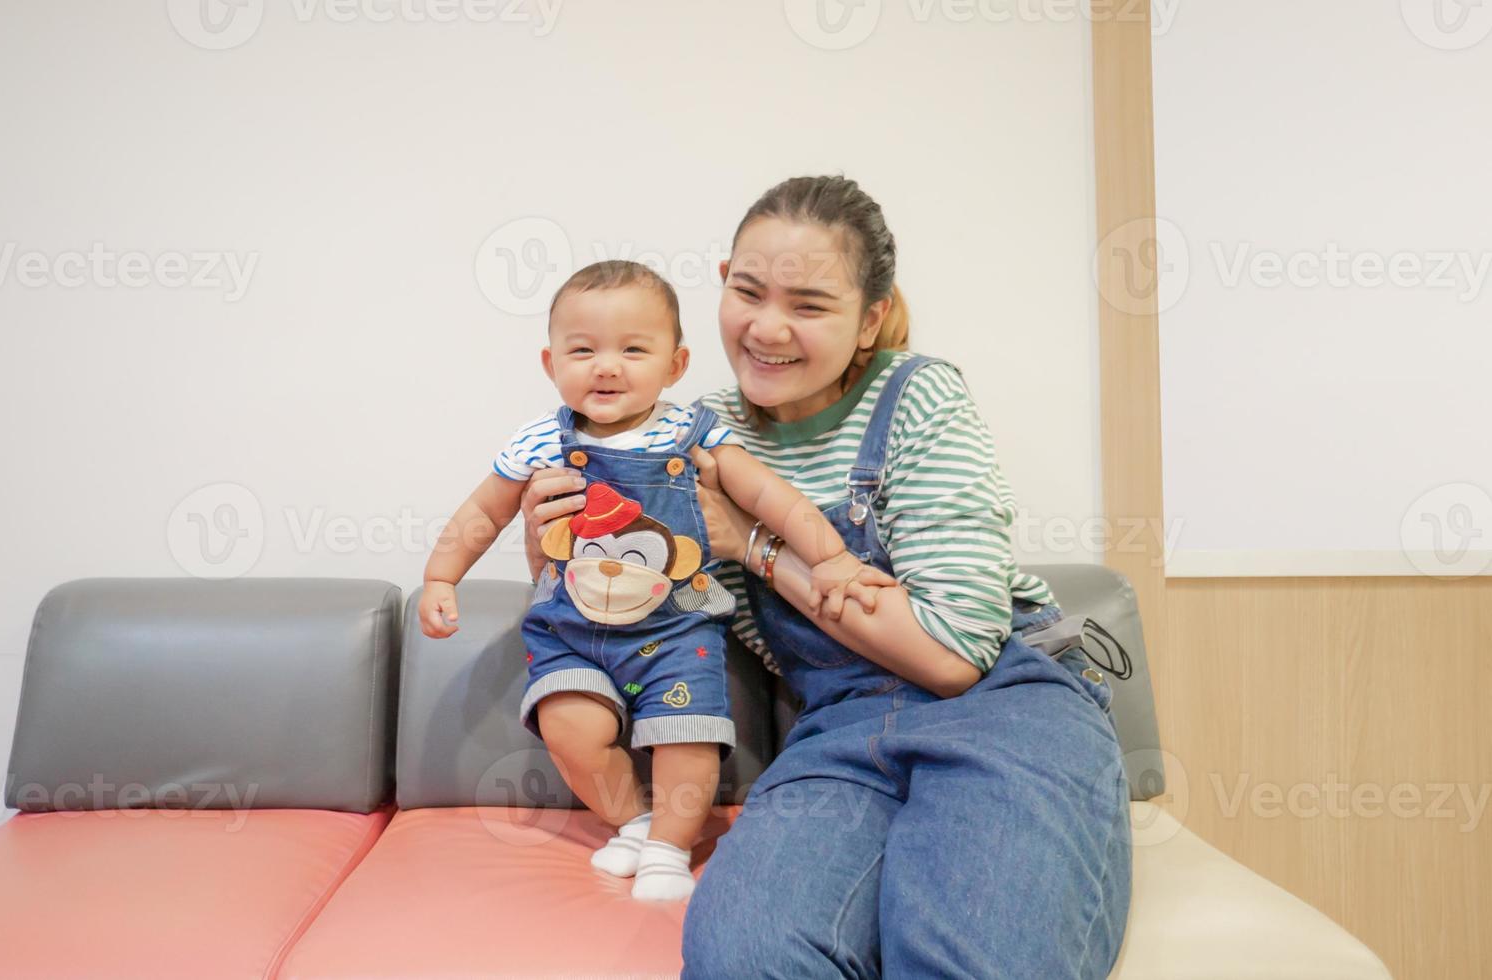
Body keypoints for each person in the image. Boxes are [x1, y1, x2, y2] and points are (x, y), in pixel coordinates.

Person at [521, 177, 1132, 975]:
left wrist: (753, 545)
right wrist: (548, 546)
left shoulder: (917, 396)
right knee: (743, 956)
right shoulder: (689, 433)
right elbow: (629, 606)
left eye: (808, 305)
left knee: (968, 956)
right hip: (835, 728)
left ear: (869, 317)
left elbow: (950, 656)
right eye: (748, 292)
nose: (767, 328)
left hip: (999, 707)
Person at [420, 259, 893, 901]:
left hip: (677, 629)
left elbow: (771, 497)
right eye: (582, 349)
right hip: (569, 629)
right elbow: (483, 511)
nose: (606, 365)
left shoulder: (693, 433)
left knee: (686, 736)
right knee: (569, 727)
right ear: (549, 362)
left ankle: (670, 847)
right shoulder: (539, 443)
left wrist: (832, 556)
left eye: (632, 349)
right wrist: (442, 576)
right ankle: (635, 823)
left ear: (674, 364)